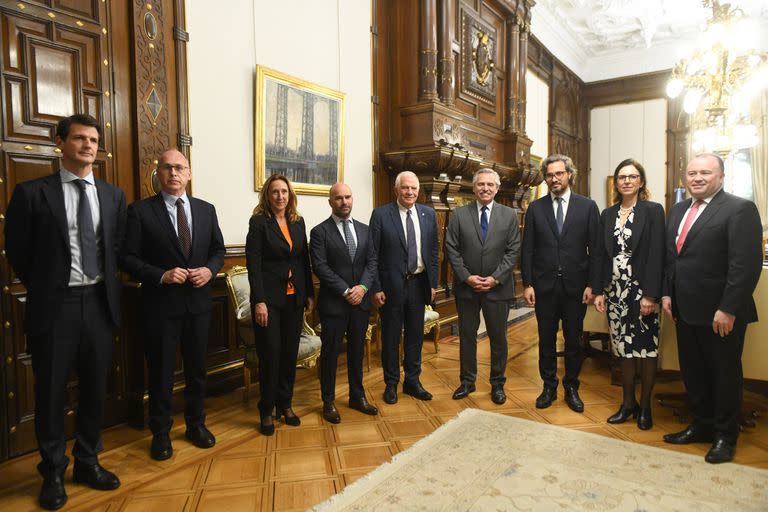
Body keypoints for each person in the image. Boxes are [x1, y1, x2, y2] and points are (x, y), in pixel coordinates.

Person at [5, 114, 125, 509]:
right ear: (61, 143)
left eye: (93, 139)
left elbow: (116, 249)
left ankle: (88, 462)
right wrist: (50, 284)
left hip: (98, 304)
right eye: (79, 138)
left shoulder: (111, 195)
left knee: (94, 387)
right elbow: (19, 252)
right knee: (52, 391)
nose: (88, 145)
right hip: (55, 307)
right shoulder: (32, 193)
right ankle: (53, 470)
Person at [120, 149, 225, 461]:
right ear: (159, 173)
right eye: (167, 168)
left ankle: (196, 425)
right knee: (162, 373)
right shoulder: (139, 212)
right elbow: (127, 257)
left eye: (179, 168)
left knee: (197, 371)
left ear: (189, 173)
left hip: (199, 305)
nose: (173, 173)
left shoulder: (206, 210)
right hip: (161, 307)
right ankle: (161, 433)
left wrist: (210, 269)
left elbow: (218, 250)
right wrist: (161, 275)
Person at [661, 153, 762, 464]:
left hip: (721, 314)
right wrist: (667, 294)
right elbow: (672, 259)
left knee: (724, 375)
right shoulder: (678, 210)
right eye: (692, 172)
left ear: (721, 176)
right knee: (693, 373)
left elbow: (745, 265)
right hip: (684, 309)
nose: (697, 178)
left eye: (705, 172)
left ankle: (725, 436)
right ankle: (701, 425)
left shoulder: (739, 209)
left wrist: (728, 308)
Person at [521, 154, 600, 413]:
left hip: (576, 288)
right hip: (543, 288)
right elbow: (528, 249)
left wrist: (593, 285)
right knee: (545, 340)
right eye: (549, 175)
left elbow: (596, 249)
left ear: (569, 174)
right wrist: (528, 283)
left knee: (574, 341)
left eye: (559, 174)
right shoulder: (536, 208)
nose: (554, 179)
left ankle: (572, 387)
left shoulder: (587, 207)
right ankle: (548, 387)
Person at [593, 159, 665, 430]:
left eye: (632, 176)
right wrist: (599, 290)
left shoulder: (653, 211)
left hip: (642, 292)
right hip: (615, 292)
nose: (626, 181)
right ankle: (627, 404)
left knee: (645, 350)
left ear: (641, 182)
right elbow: (600, 254)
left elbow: (658, 254)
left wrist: (651, 295)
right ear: (616, 182)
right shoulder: (607, 214)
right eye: (622, 177)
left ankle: (645, 406)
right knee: (623, 349)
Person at [246, 174, 315, 435]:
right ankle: (266, 410)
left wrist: (309, 292)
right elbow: (254, 266)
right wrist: (260, 301)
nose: (280, 196)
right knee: (271, 354)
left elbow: (303, 261)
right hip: (269, 301)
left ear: (290, 195)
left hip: (294, 298)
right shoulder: (258, 223)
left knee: (289, 354)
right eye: (275, 192)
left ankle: (285, 405)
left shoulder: (298, 222)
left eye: (284, 192)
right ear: (267, 195)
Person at [445, 168, 520, 404]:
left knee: (499, 339)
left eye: (490, 184)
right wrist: (467, 277)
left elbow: (513, 250)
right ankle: (467, 382)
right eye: (481, 184)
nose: (485, 188)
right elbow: (452, 249)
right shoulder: (458, 214)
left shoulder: (509, 215)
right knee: (467, 337)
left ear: (497, 188)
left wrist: (496, 277)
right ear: (474, 187)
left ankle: (497, 384)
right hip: (467, 288)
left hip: (498, 288)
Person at [310, 183, 379, 423]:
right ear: (330, 202)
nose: (344, 202)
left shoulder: (365, 230)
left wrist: (362, 288)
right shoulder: (319, 232)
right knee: (330, 354)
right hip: (334, 305)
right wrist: (346, 290)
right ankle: (328, 401)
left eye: (348, 197)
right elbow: (320, 267)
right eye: (338, 198)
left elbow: (372, 263)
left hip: (361, 303)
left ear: (353, 199)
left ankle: (356, 396)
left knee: (356, 352)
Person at [369, 171, 439, 404]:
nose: (410, 192)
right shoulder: (381, 215)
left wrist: (433, 284)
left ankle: (412, 381)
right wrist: (376, 287)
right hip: (390, 288)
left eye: (414, 188)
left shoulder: (428, 214)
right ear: (396, 190)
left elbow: (433, 251)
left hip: (419, 285)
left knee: (415, 336)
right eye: (405, 188)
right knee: (390, 337)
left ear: (419, 190)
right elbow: (373, 255)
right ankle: (391, 383)